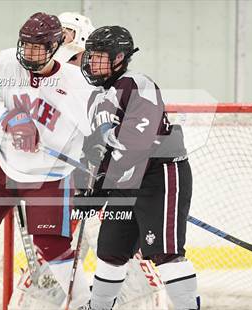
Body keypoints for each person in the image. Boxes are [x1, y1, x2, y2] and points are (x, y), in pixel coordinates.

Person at [0, 12, 93, 310]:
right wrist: (13, 118)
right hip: (3, 166)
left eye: (38, 47)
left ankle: (84, 303)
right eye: (26, 45)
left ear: (56, 46)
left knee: (51, 244)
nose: (29, 53)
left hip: (49, 174)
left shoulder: (77, 83)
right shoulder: (5, 61)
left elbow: (90, 129)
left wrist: (48, 137)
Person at [75, 26, 200, 310]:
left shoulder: (137, 84)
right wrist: (86, 188)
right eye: (91, 56)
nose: (92, 63)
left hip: (160, 176)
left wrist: (102, 186)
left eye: (99, 57)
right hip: (123, 183)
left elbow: (136, 144)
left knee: (165, 253)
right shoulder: (96, 98)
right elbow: (93, 149)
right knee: (110, 251)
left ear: (119, 57)